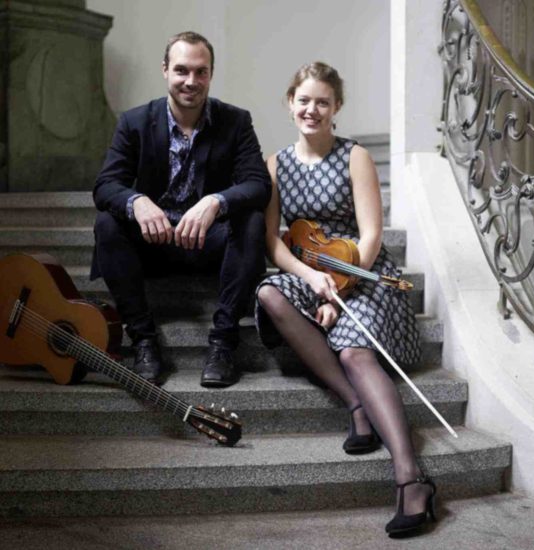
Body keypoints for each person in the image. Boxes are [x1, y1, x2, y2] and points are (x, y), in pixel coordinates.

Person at [255, 62, 436, 536]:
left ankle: (411, 480)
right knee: (271, 293)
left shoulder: (354, 156)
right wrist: (312, 280)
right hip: (308, 271)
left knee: (354, 350)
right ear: (289, 102)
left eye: (322, 101)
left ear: (337, 107)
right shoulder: (274, 165)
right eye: (304, 100)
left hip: (364, 272)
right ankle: (356, 403)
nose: (311, 109)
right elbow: (273, 243)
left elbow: (372, 236)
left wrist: (340, 289)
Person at [91, 31, 271, 387]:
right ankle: (143, 340)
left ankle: (223, 343)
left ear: (211, 74)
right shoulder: (135, 122)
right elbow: (105, 186)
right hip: (152, 245)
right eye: (181, 70)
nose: (191, 81)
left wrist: (215, 201)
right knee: (107, 223)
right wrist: (136, 201)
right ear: (165, 71)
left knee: (251, 221)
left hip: (207, 244)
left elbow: (258, 184)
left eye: (201, 72)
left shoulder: (235, 121)